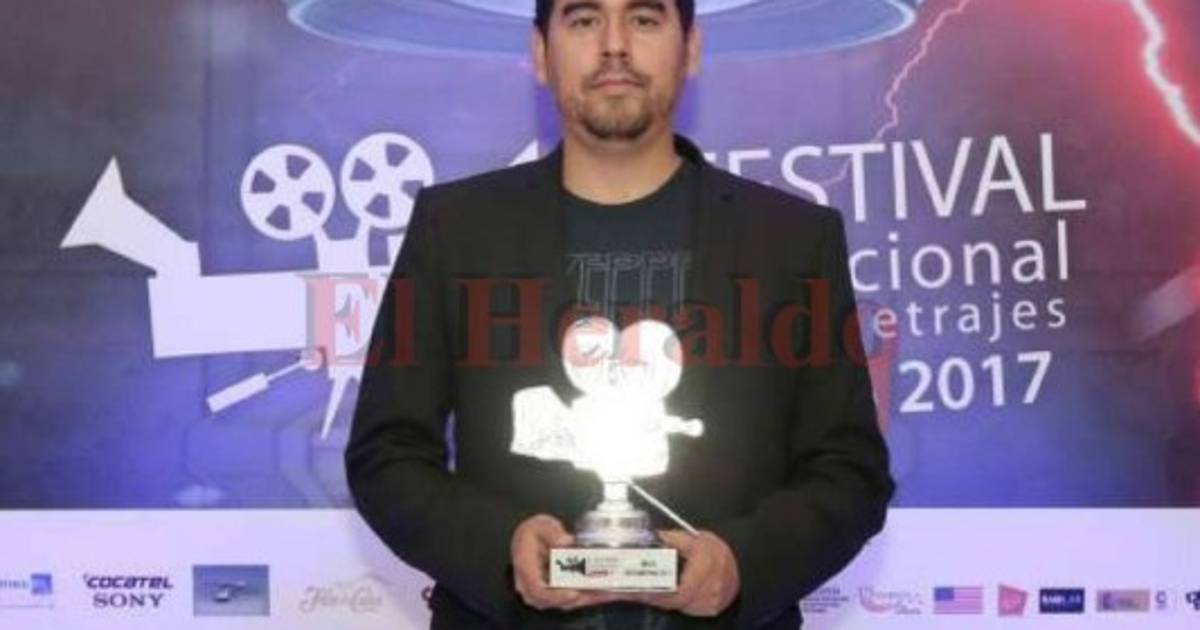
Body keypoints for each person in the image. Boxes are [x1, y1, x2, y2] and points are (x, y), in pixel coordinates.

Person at [345, 0, 894, 627]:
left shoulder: (792, 241)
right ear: (540, 54)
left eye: (644, 19)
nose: (614, 45)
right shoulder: (455, 230)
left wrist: (743, 561)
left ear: (690, 48)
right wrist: (502, 550)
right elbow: (387, 454)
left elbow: (850, 473)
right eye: (584, 19)